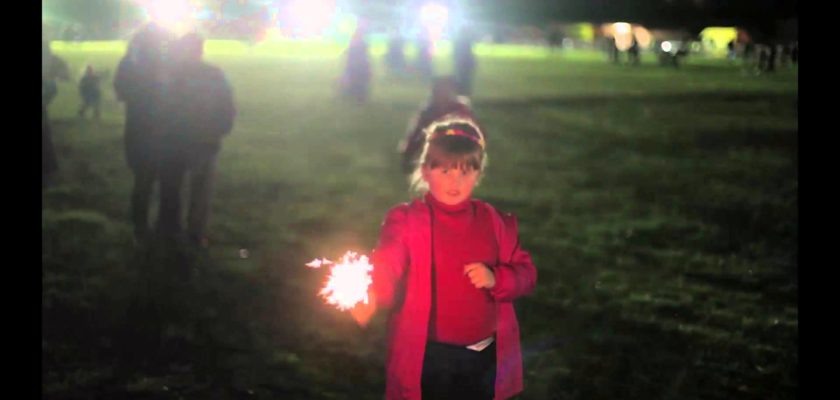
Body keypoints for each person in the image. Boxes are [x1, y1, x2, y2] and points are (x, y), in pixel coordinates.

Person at [352, 113, 538, 399]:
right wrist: (374, 294)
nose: (456, 181)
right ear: (426, 171)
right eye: (445, 171)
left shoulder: (495, 223)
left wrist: (496, 277)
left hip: (483, 355)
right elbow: (388, 266)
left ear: (479, 173)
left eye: (466, 171)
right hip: (431, 356)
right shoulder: (408, 222)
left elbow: (526, 274)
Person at [156, 32, 236, 249]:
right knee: (196, 190)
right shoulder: (213, 74)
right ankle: (192, 233)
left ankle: (173, 230)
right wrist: (220, 129)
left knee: (175, 187)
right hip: (197, 140)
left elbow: (160, 106)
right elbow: (227, 107)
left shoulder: (172, 75)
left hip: (183, 140)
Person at [114, 23, 169, 241]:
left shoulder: (130, 62)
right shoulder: (160, 63)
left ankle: (143, 227)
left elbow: (120, 91)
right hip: (156, 129)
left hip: (140, 128)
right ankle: (154, 227)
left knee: (145, 180)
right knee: (156, 180)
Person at [399, 76, 474, 173]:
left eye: (445, 92)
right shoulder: (429, 111)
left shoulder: (461, 110)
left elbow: (473, 134)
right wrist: (407, 154)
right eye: (439, 92)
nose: (442, 95)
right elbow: (416, 135)